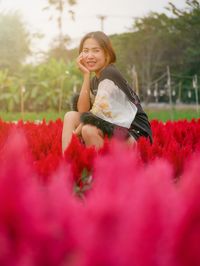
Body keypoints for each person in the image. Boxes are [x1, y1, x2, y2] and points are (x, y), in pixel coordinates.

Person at [62, 31, 152, 153]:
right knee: (70, 116)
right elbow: (83, 112)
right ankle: (68, 161)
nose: (89, 56)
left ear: (107, 54)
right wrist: (86, 75)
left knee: (88, 129)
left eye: (95, 50)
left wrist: (75, 134)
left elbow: (97, 113)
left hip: (136, 134)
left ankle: (101, 170)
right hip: (116, 129)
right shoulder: (96, 79)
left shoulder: (110, 74)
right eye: (86, 51)